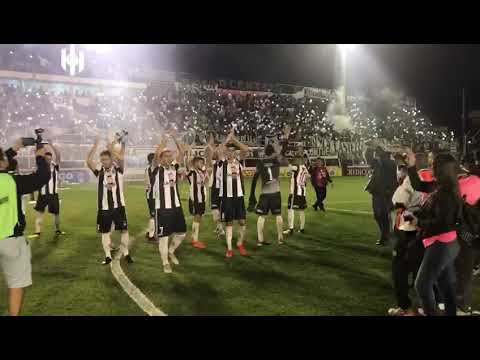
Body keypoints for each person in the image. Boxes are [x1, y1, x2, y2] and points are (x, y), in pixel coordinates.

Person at [407, 150, 461, 316]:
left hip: (442, 243)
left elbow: (443, 223)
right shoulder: (443, 185)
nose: (431, 167)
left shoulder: (447, 192)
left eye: (433, 165)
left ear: (441, 169)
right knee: (445, 284)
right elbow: (419, 185)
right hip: (445, 243)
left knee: (422, 284)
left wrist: (419, 223)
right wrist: (411, 166)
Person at [0, 139, 51, 315]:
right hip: (11, 241)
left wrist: (16, 146)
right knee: (16, 285)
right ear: (3, 162)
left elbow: (3, 159)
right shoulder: (11, 181)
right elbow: (42, 177)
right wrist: (39, 156)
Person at [86, 136, 133, 266]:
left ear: (111, 159)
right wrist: (95, 145)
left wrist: (110, 148)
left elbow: (121, 159)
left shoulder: (119, 170)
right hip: (104, 208)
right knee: (105, 232)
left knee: (124, 230)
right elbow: (89, 161)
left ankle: (126, 253)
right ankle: (107, 256)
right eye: (102, 160)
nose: (103, 162)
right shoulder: (100, 172)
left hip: (119, 206)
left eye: (106, 159)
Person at [387, 165, 423, 316]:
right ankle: (424, 307)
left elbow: (399, 205)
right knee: (420, 272)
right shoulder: (428, 181)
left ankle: (405, 308)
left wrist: (408, 217)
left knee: (400, 272)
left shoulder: (410, 182)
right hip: (422, 233)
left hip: (408, 232)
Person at [248, 126, 290, 246]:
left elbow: (254, 179)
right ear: (273, 152)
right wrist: (286, 137)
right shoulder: (277, 159)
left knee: (262, 217)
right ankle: (280, 238)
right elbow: (283, 151)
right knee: (278, 215)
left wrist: (252, 195)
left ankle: (260, 240)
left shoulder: (260, 163)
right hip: (276, 192)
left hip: (264, 194)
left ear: (265, 152)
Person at [152, 132, 187, 274]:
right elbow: (156, 155)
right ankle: (165, 262)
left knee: (182, 233)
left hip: (176, 207)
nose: (168, 157)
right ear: (160, 159)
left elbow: (182, 152)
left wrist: (175, 138)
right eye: (165, 156)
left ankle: (171, 252)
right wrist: (164, 140)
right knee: (164, 237)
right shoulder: (156, 169)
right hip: (162, 209)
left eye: (170, 155)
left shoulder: (174, 167)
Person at [218, 130, 249, 258]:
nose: (231, 153)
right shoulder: (222, 164)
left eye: (233, 151)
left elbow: (245, 150)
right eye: (228, 151)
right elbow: (220, 150)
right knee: (229, 223)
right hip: (227, 198)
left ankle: (240, 243)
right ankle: (230, 249)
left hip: (239, 197)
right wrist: (227, 140)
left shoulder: (239, 163)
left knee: (242, 222)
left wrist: (234, 139)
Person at [365, 146, 398, 246]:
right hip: (377, 192)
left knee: (382, 215)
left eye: (378, 152)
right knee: (377, 215)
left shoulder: (390, 163)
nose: (376, 153)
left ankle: (384, 236)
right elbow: (368, 157)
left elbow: (393, 178)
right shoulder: (378, 162)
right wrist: (370, 147)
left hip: (386, 192)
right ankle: (385, 233)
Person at [31, 144, 65, 237]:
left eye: (50, 159)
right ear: (44, 159)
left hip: (54, 194)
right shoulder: (40, 168)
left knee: (56, 214)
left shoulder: (55, 167)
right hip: (42, 194)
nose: (48, 160)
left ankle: (57, 230)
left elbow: (58, 156)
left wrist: (52, 145)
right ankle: (37, 231)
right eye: (47, 159)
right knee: (40, 214)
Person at [185, 146, 209, 249]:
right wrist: (189, 152)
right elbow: (188, 164)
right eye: (199, 162)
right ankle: (195, 240)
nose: (201, 164)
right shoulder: (192, 172)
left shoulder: (200, 173)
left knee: (199, 218)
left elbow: (204, 182)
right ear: (195, 164)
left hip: (202, 199)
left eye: (202, 162)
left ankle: (194, 238)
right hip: (196, 199)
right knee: (197, 218)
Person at [284, 153, 310, 235]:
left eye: (295, 159)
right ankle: (302, 229)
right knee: (301, 211)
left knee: (290, 210)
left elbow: (289, 168)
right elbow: (308, 176)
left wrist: (286, 161)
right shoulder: (304, 168)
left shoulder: (296, 167)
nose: (294, 161)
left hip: (295, 193)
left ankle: (290, 229)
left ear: (298, 160)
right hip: (303, 193)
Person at [145, 152, 157, 244]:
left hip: (151, 195)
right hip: (152, 195)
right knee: (153, 216)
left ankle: (150, 232)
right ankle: (151, 236)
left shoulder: (148, 169)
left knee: (155, 215)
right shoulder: (151, 169)